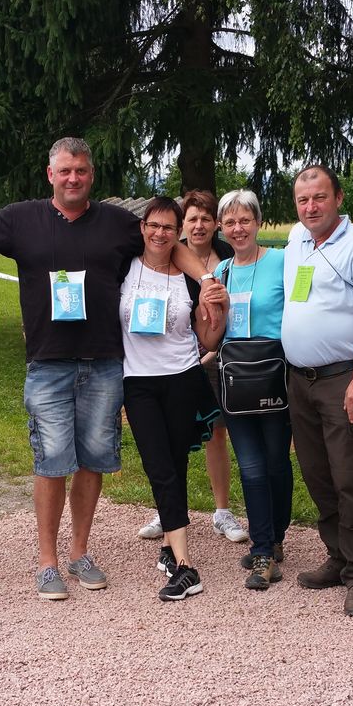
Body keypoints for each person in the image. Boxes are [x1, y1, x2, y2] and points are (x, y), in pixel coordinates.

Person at [0, 137, 222, 600]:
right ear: (50, 174)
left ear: (91, 175)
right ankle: (47, 562)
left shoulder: (117, 222)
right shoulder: (21, 219)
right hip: (48, 363)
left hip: (104, 363)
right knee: (51, 462)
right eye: (65, 171)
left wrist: (206, 278)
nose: (73, 178)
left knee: (93, 461)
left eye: (82, 171)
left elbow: (169, 245)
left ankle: (80, 552)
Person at [282, 165, 353, 618]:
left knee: (348, 475)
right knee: (316, 473)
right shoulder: (297, 239)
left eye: (319, 197)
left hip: (341, 379)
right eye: (303, 199)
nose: (311, 207)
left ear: (339, 198)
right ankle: (338, 555)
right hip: (299, 380)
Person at [120, 197, 226, 601]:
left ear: (177, 232)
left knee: (175, 463)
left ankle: (171, 548)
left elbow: (208, 339)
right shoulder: (124, 266)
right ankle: (186, 565)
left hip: (182, 377)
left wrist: (218, 310)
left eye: (168, 227)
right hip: (138, 382)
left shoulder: (188, 278)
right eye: (153, 225)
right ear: (142, 227)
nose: (159, 233)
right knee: (159, 466)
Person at [135, 189, 248, 545]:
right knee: (170, 441)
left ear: (216, 224)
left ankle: (222, 510)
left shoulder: (228, 257)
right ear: (183, 224)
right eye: (192, 219)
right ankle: (168, 510)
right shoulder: (171, 255)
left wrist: (209, 352)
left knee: (216, 434)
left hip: (220, 358)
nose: (199, 226)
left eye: (206, 219)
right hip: (181, 363)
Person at [210, 189, 293, 591]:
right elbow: (213, 328)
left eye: (245, 220)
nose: (238, 229)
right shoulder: (222, 271)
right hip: (236, 382)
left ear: (258, 222)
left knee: (276, 462)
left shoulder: (282, 262)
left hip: (275, 375)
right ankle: (262, 551)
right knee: (251, 466)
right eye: (230, 222)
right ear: (221, 228)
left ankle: (275, 536)